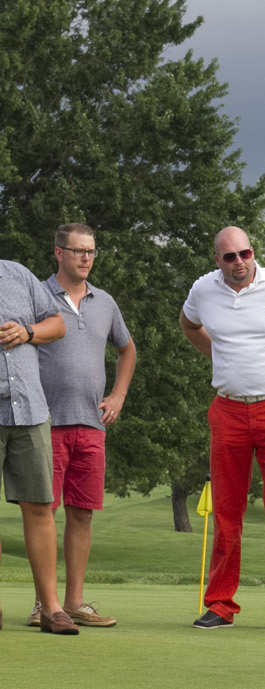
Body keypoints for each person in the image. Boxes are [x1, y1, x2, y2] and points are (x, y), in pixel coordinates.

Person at [180, 226, 265, 631]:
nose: (239, 262)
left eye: (245, 253)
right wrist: (217, 354)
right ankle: (220, 604)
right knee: (227, 512)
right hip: (228, 410)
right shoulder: (203, 290)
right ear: (217, 261)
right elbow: (188, 324)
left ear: (253, 252)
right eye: (230, 257)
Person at [26, 224, 135, 629]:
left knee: (82, 514)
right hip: (45, 422)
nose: (86, 258)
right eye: (78, 251)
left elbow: (127, 349)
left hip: (92, 424)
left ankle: (73, 602)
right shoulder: (38, 296)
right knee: (43, 512)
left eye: (91, 251)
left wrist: (118, 395)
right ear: (59, 253)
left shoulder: (104, 302)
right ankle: (44, 603)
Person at [0, 259, 71, 633]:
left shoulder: (18, 274)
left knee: (41, 507)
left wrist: (27, 331)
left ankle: (51, 608)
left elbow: (57, 323)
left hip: (29, 408)